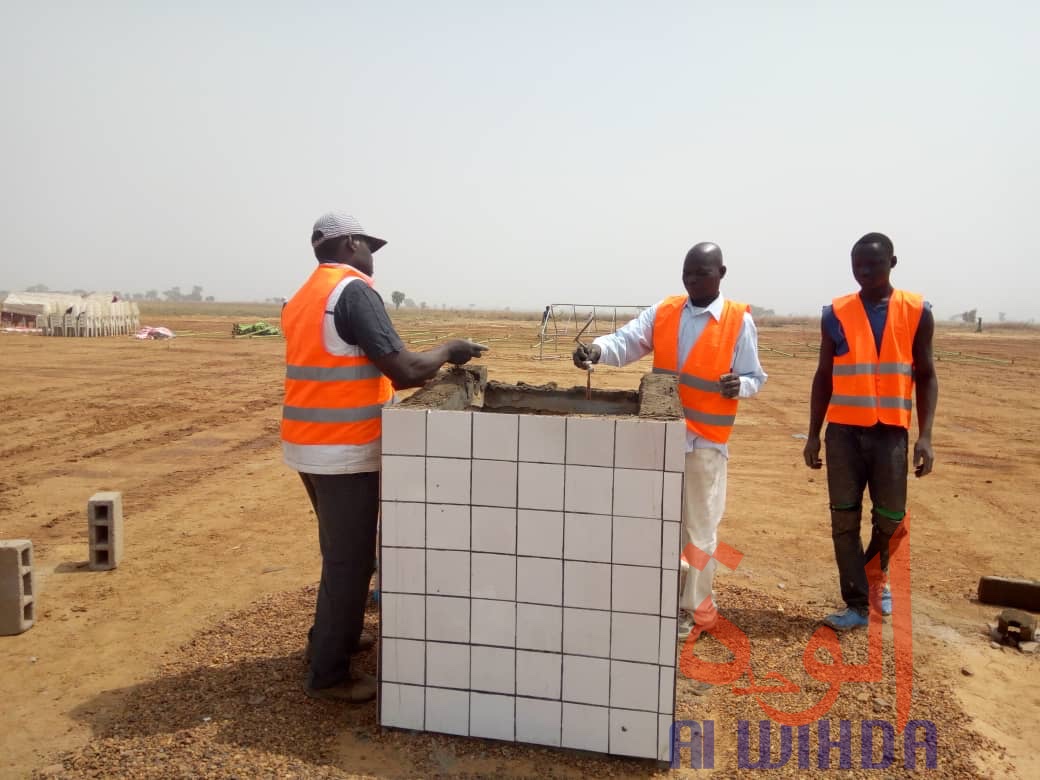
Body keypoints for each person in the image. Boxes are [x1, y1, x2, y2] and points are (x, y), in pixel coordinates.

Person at [282, 211, 487, 701]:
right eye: (368, 246)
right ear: (350, 243)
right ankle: (327, 673)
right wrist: (450, 349)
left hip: (308, 444)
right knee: (350, 561)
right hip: (344, 447)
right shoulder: (352, 291)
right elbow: (405, 369)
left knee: (341, 553)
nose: (372, 258)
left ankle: (337, 638)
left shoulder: (304, 295)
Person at [573, 242, 767, 643]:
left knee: (698, 530)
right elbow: (627, 341)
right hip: (661, 437)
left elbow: (754, 377)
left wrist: (740, 385)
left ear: (721, 273)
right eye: (687, 273)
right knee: (657, 524)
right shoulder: (665, 312)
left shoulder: (737, 321)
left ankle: (696, 612)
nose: (692, 280)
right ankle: (659, 597)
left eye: (701, 273)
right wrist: (596, 350)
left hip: (705, 443)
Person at [803, 232, 937, 631]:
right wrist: (813, 433)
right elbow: (823, 376)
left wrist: (925, 435)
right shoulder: (836, 312)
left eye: (873, 264)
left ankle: (875, 579)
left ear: (892, 262)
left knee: (890, 520)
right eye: (857, 265)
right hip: (843, 435)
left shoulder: (917, 311)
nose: (864, 272)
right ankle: (858, 603)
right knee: (843, 521)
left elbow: (927, 375)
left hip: (891, 435)